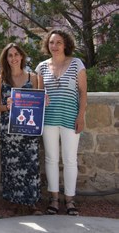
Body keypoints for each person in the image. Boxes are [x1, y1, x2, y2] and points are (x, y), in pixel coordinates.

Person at [35, 29, 87, 216]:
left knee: (70, 159)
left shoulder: (76, 64)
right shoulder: (41, 67)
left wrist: (80, 117)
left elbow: (83, 93)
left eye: (58, 42)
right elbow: (39, 94)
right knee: (50, 158)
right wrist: (43, 98)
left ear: (65, 44)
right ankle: (55, 199)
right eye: (51, 43)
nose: (54, 46)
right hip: (48, 119)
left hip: (70, 117)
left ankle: (70, 200)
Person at [0, 43, 41, 215]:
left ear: (22, 56)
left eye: (16, 54)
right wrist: (6, 106)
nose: (13, 58)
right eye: (10, 55)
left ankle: (32, 202)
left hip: (29, 128)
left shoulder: (33, 77)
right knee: (11, 165)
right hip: (9, 129)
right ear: (6, 59)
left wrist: (44, 101)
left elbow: (39, 100)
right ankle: (13, 202)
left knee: (31, 164)